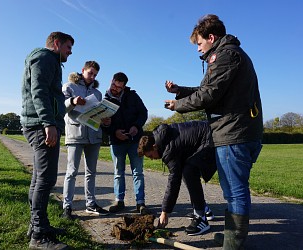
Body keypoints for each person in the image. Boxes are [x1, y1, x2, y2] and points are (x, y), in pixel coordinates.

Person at [164, 14, 263, 249]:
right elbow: (208, 89)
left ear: (211, 37)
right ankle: (233, 236)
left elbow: (208, 95)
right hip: (238, 131)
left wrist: (179, 106)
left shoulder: (225, 55)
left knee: (235, 191)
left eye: (199, 43)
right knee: (233, 190)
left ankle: (234, 244)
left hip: (233, 133)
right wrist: (180, 91)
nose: (198, 49)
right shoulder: (231, 54)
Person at [21, 31, 74, 250]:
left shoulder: (49, 60)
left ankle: (37, 226)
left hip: (39, 123)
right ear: (56, 43)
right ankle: (39, 236)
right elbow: (39, 91)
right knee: (46, 178)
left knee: (38, 178)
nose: (70, 52)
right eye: (68, 47)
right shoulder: (44, 58)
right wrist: (48, 123)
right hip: (41, 124)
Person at [137, 121, 217, 236]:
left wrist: (165, 212)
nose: (152, 159)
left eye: (150, 155)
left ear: (154, 146)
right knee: (186, 171)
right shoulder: (161, 138)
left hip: (211, 139)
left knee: (189, 172)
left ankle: (201, 218)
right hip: (206, 135)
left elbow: (174, 183)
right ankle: (204, 209)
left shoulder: (168, 149)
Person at [61, 61, 110, 220]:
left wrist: (104, 120)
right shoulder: (68, 86)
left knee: (91, 172)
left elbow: (97, 114)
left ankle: (91, 204)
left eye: (95, 75)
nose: (92, 77)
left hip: (94, 136)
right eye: (90, 73)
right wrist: (73, 101)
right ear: (83, 70)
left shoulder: (97, 93)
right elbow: (61, 107)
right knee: (72, 172)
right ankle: (67, 206)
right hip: (75, 133)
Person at [103, 72, 149, 215]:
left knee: (138, 172)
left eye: (119, 88)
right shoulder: (104, 100)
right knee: (118, 172)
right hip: (116, 142)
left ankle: (140, 203)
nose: (115, 89)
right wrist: (114, 132)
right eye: (114, 85)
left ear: (124, 87)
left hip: (135, 141)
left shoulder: (133, 96)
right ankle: (119, 201)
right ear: (111, 81)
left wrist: (136, 126)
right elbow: (103, 123)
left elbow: (143, 113)